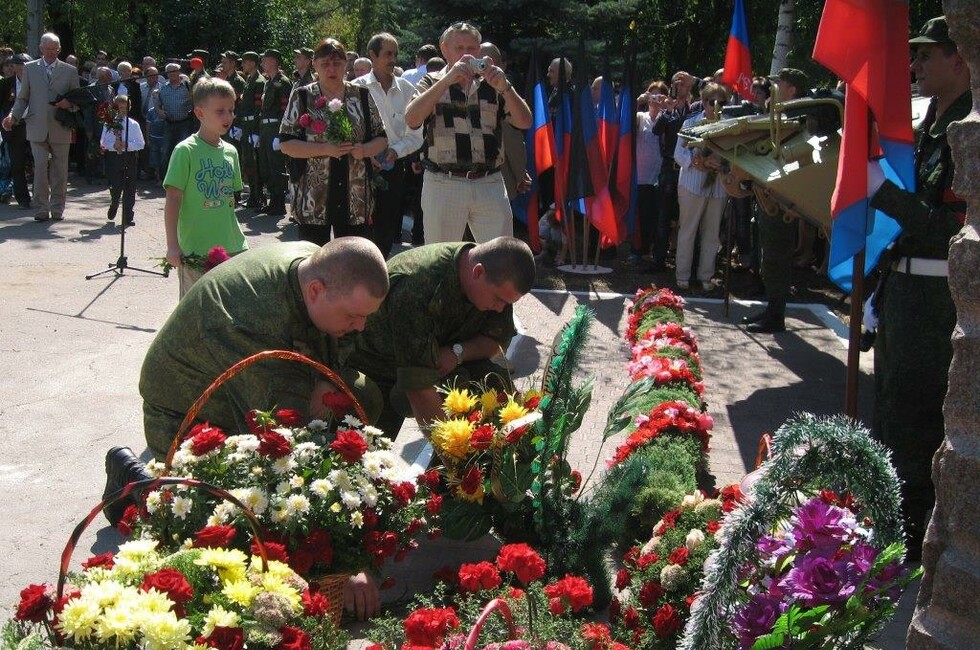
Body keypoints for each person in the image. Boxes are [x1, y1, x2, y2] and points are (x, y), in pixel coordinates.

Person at [103, 237, 389, 617]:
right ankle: (140, 488)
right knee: (229, 526)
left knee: (362, 395)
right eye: (353, 317)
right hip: (185, 415)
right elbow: (286, 446)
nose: (361, 326)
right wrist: (349, 562)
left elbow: (340, 351)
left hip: (241, 387)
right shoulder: (252, 319)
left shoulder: (316, 269)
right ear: (316, 291)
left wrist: (327, 378)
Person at [868, 15, 971, 561]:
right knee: (891, 406)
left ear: (960, 59)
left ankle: (907, 537)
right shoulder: (932, 127)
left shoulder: (966, 133)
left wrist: (882, 194)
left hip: (935, 301)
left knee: (916, 415)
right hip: (905, 292)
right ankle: (890, 521)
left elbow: (949, 229)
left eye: (927, 55)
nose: (915, 65)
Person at [348, 236, 535, 440]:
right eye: (499, 300)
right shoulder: (417, 286)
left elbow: (494, 342)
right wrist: (454, 448)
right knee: (368, 449)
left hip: (432, 361)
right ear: (478, 272)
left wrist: (458, 353)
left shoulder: (496, 281)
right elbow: (419, 388)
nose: (500, 309)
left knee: (491, 380)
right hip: (374, 368)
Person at [405, 22, 532, 244]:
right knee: (442, 256)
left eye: (471, 48)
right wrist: (446, 81)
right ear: (444, 49)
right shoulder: (431, 81)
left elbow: (525, 121)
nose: (466, 54)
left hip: (489, 182)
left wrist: (505, 87)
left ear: (479, 50)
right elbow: (412, 119)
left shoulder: (493, 83)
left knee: (499, 255)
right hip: (443, 182)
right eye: (459, 48)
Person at [280, 38, 387, 245]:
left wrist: (365, 150)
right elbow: (286, 144)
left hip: (355, 196)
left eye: (337, 63)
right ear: (315, 65)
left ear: (346, 64)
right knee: (314, 257)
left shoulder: (361, 95)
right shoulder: (302, 96)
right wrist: (324, 149)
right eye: (325, 64)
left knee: (352, 257)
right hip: (313, 197)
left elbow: (382, 138)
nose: (331, 69)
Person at [162, 77, 248, 297]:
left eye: (231, 110)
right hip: (196, 250)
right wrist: (172, 245)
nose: (228, 117)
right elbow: (173, 199)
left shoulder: (231, 152)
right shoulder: (185, 151)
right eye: (220, 111)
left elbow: (229, 201)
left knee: (229, 304)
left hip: (232, 246)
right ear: (200, 113)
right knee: (196, 306)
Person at [741, 67, 810, 332]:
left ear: (792, 89)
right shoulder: (780, 115)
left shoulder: (800, 119)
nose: (774, 88)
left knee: (777, 258)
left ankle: (776, 314)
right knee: (768, 256)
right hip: (770, 195)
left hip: (784, 199)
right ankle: (771, 308)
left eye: (779, 83)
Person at [351, 32, 424, 257]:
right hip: (360, 165)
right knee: (358, 225)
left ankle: (380, 268)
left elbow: (416, 135)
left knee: (386, 226)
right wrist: (367, 153)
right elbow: (347, 131)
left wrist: (395, 151)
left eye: (395, 54)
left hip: (394, 167)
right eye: (388, 54)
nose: (393, 59)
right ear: (372, 56)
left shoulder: (408, 90)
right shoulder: (355, 88)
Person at [2, 32, 79, 222]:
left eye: (54, 49)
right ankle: (41, 208)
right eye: (48, 49)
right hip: (36, 127)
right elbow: (23, 98)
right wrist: (13, 116)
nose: (51, 52)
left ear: (59, 50)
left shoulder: (69, 71)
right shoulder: (30, 68)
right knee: (40, 169)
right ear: (41, 49)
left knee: (60, 171)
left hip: (61, 127)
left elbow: (79, 100)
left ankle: (57, 208)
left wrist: (69, 104)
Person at [673, 82, 730, 291]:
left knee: (712, 233)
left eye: (721, 102)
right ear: (703, 102)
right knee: (688, 230)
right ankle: (682, 275)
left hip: (718, 186)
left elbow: (736, 152)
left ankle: (706, 276)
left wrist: (722, 163)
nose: (716, 106)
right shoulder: (690, 123)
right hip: (692, 183)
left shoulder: (730, 124)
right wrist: (697, 161)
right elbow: (678, 153)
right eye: (712, 102)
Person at [632, 81, 668, 271]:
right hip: (640, 175)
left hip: (659, 175)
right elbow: (624, 122)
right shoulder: (640, 116)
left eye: (659, 96)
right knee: (640, 216)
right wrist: (637, 102)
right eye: (652, 95)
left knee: (655, 216)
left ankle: (653, 250)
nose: (655, 100)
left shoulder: (667, 117)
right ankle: (638, 250)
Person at [101, 93, 144, 226]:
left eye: (125, 108)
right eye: (119, 108)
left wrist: (127, 145)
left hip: (129, 157)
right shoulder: (109, 123)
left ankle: (128, 216)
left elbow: (141, 144)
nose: (122, 110)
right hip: (114, 158)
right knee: (116, 185)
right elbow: (103, 142)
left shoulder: (133, 124)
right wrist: (113, 145)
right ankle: (114, 203)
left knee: (130, 187)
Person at [258, 49, 291, 216]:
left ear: (273, 61)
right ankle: (273, 200)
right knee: (267, 165)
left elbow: (286, 109)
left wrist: (280, 134)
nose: (262, 63)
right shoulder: (268, 82)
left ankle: (279, 202)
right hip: (265, 128)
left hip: (275, 128)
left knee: (276, 165)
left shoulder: (282, 82)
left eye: (265, 60)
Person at [0, 53, 33, 209]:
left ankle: (40, 196)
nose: (21, 69)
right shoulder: (6, 84)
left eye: (24, 66)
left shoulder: (37, 83)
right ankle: (23, 199)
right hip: (14, 128)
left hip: (33, 125)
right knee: (17, 164)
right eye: (18, 66)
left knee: (39, 163)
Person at [155, 62, 194, 176]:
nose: (171, 74)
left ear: (179, 72)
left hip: (184, 123)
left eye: (174, 71)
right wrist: (159, 111)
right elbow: (158, 105)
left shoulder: (187, 86)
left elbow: (194, 101)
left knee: (184, 150)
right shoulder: (163, 88)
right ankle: (164, 178)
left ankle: (184, 176)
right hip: (169, 124)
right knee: (165, 151)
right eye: (169, 72)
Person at [239, 51, 266, 210]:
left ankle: (258, 196)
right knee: (248, 161)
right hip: (246, 125)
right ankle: (253, 195)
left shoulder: (259, 81)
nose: (243, 65)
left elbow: (258, 109)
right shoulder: (250, 79)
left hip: (252, 126)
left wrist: (256, 131)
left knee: (255, 162)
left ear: (252, 63)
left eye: (245, 62)